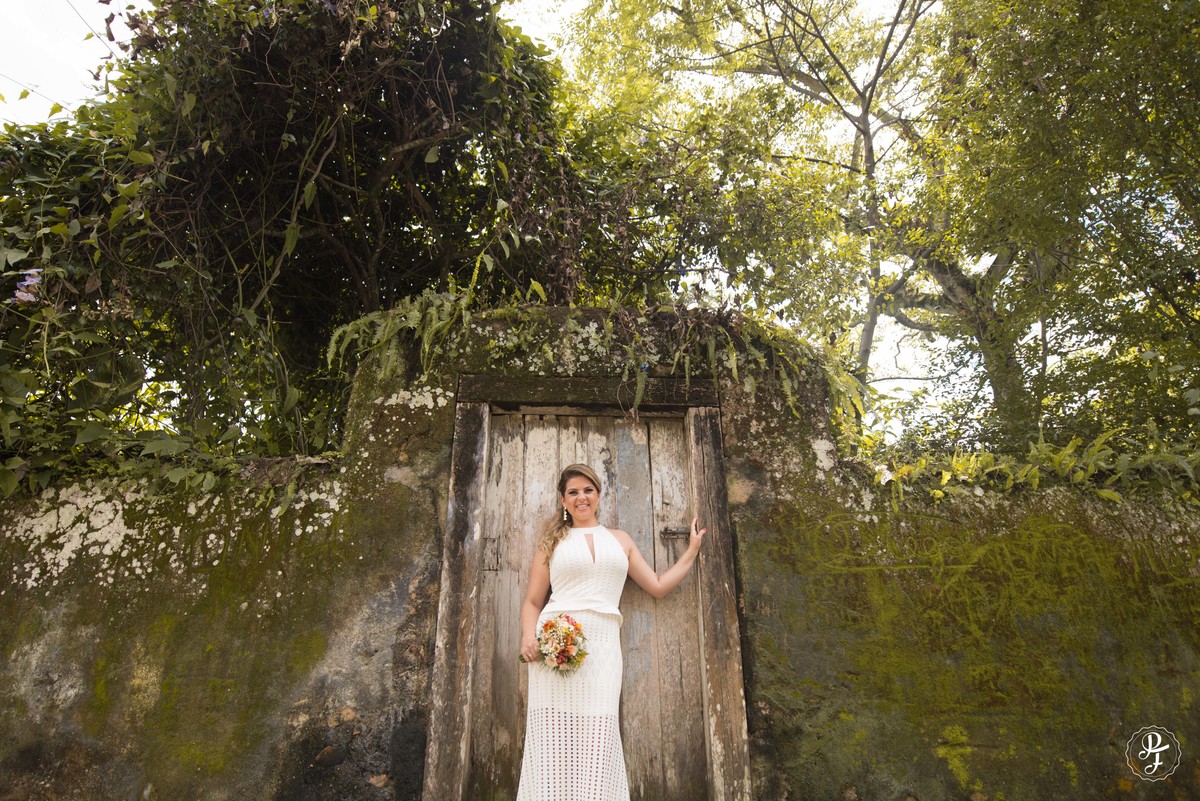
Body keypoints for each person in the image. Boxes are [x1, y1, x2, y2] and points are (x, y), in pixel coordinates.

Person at [516, 463, 707, 801]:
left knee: (599, 732)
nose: (581, 497)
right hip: (555, 644)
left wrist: (690, 552)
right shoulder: (551, 542)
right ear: (563, 499)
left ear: (599, 495)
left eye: (587, 490)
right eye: (573, 492)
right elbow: (533, 601)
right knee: (552, 737)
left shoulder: (620, 540)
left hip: (603, 646)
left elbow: (658, 586)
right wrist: (528, 636)